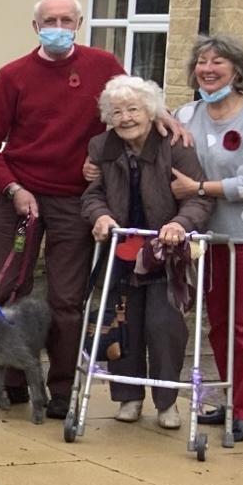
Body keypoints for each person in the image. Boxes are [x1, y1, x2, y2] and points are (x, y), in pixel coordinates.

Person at [0, 0, 127, 420]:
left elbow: (130, 115)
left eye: (66, 20)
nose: (58, 28)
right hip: (20, 200)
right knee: (10, 292)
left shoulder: (104, 67)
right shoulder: (14, 75)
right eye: (49, 21)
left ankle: (60, 389)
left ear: (79, 24)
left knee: (66, 300)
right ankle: (10, 383)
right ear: (36, 27)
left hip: (73, 202)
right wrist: (12, 188)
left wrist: (161, 122)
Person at [80, 75, 212, 430]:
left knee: (164, 325)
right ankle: (128, 397)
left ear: (151, 111)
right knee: (123, 324)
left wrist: (180, 224)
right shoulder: (102, 146)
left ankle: (167, 402)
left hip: (165, 253)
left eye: (133, 110)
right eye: (117, 112)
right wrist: (100, 215)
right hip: (122, 250)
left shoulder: (175, 144)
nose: (125, 118)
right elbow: (92, 194)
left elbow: (199, 198)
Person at [171, 37, 243, 443]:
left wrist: (199, 188)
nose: (208, 68)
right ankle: (230, 399)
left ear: (237, 70)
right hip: (207, 236)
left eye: (218, 61)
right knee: (218, 325)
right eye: (202, 61)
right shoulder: (186, 114)